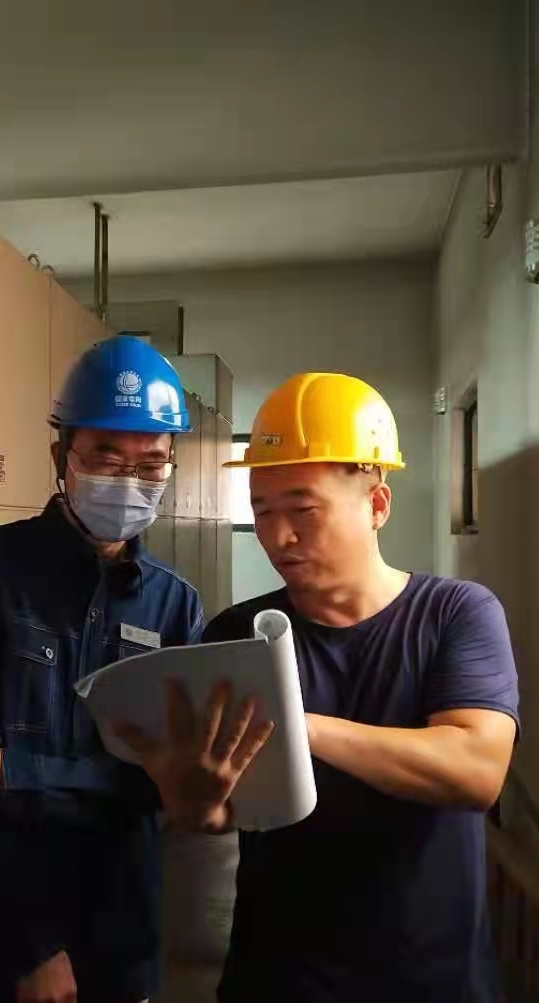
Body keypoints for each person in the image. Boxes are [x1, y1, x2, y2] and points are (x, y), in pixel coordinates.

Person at [0, 336, 268, 1003]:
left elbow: (163, 784)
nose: (128, 480)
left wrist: (13, 775)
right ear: (61, 455)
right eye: (105, 457)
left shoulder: (174, 605)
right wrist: (31, 947)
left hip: (113, 940)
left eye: (150, 463)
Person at [208, 372, 520, 1001]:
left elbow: (475, 770)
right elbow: (213, 810)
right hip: (278, 982)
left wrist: (299, 726)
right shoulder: (236, 634)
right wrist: (197, 792)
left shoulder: (456, 614)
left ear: (377, 505)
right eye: (262, 512)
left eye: (303, 510)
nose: (278, 536)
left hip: (430, 981)